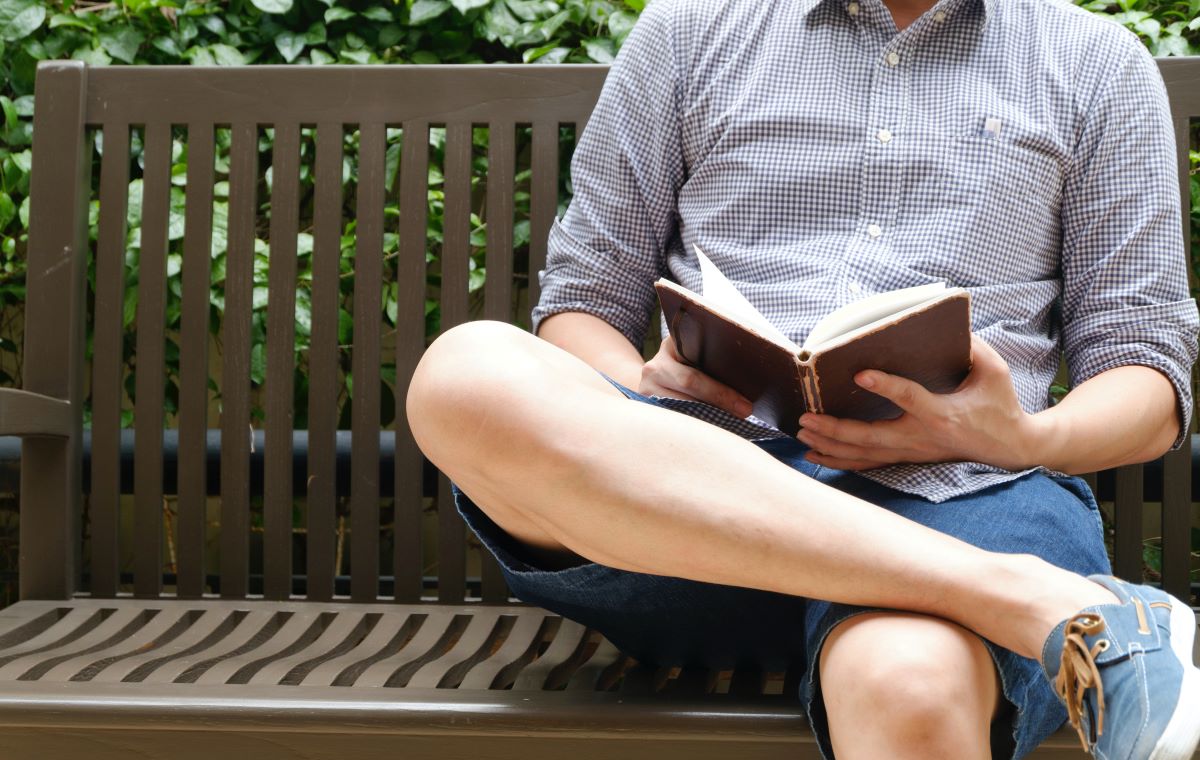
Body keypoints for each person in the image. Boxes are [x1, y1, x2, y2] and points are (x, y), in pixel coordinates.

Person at [405, 0, 1200, 757]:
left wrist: (1024, 435)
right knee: (465, 374)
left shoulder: (1093, 63)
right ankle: (1047, 605)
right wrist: (639, 383)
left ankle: (1013, 594)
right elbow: (583, 304)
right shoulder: (691, 28)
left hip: (962, 497)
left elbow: (1147, 374)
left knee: (907, 685)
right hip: (682, 513)